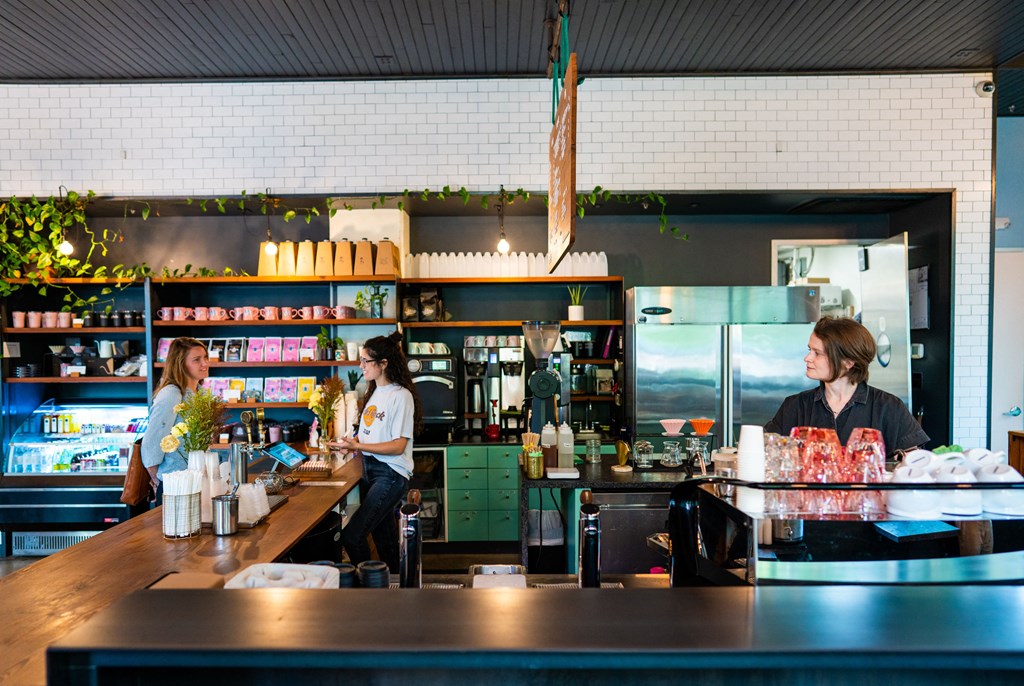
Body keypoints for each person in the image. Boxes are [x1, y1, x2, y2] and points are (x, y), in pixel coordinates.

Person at [764, 316, 928, 458]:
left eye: (818, 353)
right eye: (809, 350)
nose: (807, 358)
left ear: (848, 362)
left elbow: (915, 463)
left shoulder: (889, 407)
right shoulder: (795, 406)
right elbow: (765, 453)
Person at [329, 332, 422, 572]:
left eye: (366, 361)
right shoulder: (374, 392)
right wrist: (352, 441)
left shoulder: (401, 396)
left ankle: (370, 588)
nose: (361, 366)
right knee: (386, 540)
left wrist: (357, 446)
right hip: (370, 469)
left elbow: (398, 446)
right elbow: (371, 432)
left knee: (352, 536)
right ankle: (395, 590)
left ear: (383, 364)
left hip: (390, 474)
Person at [140, 337, 210, 488]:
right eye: (197, 360)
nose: (205, 364)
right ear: (180, 364)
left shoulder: (201, 393)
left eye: (205, 357)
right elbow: (151, 443)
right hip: (174, 482)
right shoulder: (172, 394)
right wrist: (158, 479)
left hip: (195, 480)